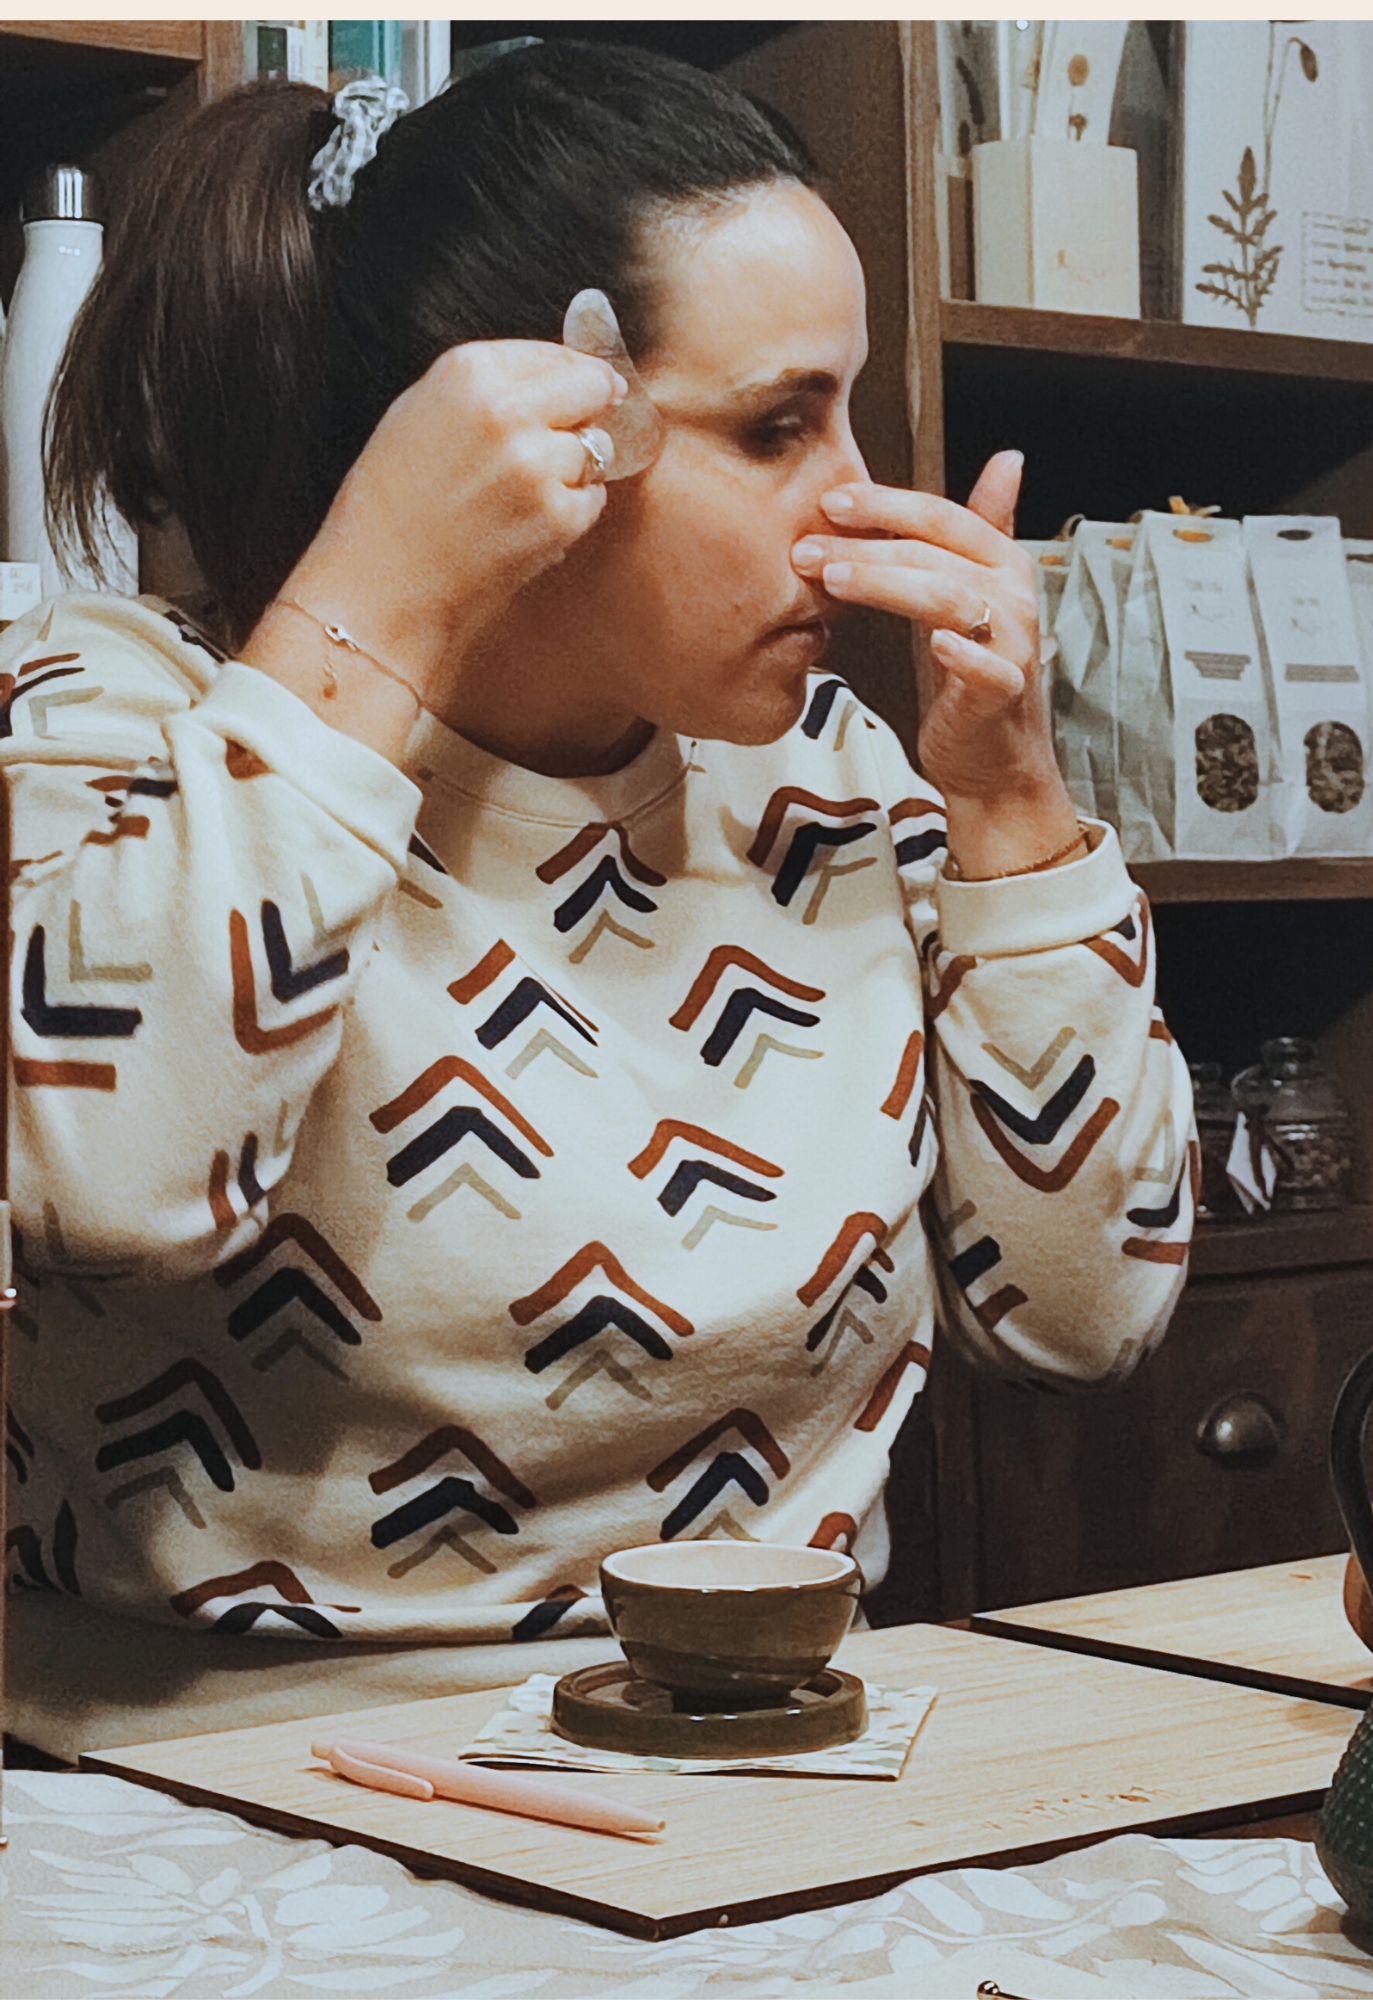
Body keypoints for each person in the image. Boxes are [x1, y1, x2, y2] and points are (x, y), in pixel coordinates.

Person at [3, 44, 1193, 1760]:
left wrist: (1010, 799)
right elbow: (110, 1182)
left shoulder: (836, 780)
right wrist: (379, 588)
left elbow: (1087, 1319)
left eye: (846, 414)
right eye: (775, 427)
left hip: (762, 1767)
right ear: (515, 425)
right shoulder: (126, 720)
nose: (860, 503)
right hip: (214, 1795)